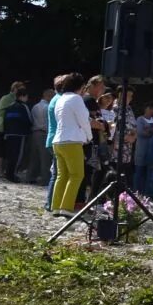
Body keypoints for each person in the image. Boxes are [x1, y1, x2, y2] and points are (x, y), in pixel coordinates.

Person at [49, 74, 94, 214]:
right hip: (72, 141)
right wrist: (89, 136)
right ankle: (67, 207)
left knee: (62, 175)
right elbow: (84, 120)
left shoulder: (60, 99)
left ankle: (55, 206)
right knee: (76, 175)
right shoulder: (76, 99)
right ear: (80, 86)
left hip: (58, 141)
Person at [26, 87, 52, 185]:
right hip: (44, 133)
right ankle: (45, 179)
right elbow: (49, 123)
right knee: (45, 158)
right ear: (48, 96)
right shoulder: (48, 107)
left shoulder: (35, 106)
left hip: (35, 132)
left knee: (34, 156)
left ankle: (30, 177)